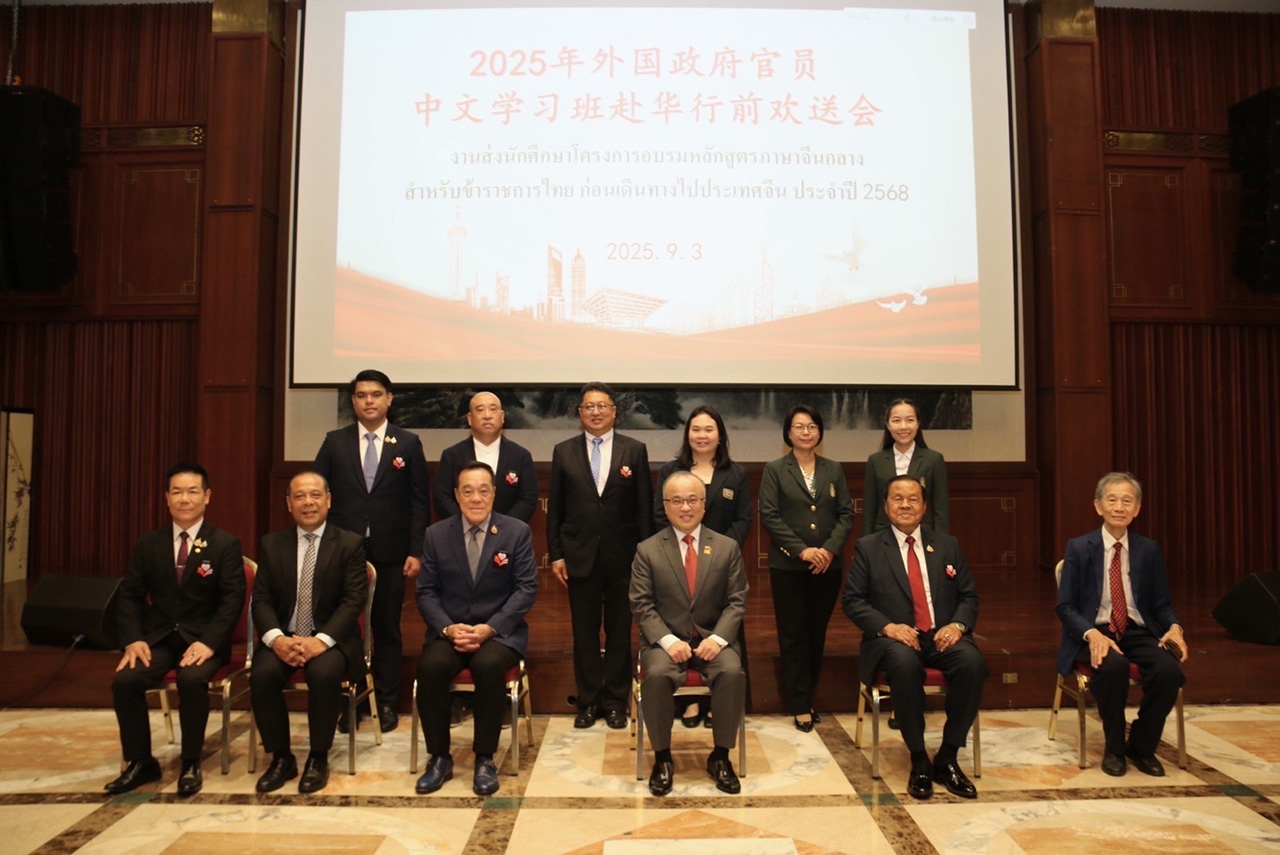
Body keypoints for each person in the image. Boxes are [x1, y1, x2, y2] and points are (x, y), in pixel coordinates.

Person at [841, 475, 987, 800]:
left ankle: (948, 756)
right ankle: (919, 757)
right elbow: (853, 600)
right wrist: (888, 627)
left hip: (941, 636)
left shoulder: (947, 545)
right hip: (894, 640)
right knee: (905, 666)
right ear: (886, 506)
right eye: (898, 499)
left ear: (924, 506)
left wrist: (958, 626)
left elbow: (968, 596)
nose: (905, 505)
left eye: (913, 499)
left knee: (973, 663)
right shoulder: (869, 547)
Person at [107, 463, 245, 796]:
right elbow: (130, 596)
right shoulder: (149, 543)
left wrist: (209, 642)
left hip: (204, 641)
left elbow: (232, 600)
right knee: (125, 680)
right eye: (177, 492)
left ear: (207, 496)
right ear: (166, 498)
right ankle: (141, 761)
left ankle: (191, 762)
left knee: (192, 679)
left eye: (192, 491)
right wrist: (133, 639)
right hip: (158, 638)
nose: (185, 499)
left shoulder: (224, 544)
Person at [313, 368, 430, 732]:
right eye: (362, 395)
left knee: (386, 627)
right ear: (353, 401)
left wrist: (416, 550)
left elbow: (419, 501)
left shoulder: (407, 443)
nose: (369, 401)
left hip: (391, 552)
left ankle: (387, 702)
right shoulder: (335, 442)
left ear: (389, 399)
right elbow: (317, 494)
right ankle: (351, 702)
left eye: (376, 395)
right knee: (343, 627)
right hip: (342, 552)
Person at [413, 462, 539, 795]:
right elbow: (426, 592)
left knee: (487, 666)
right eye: (467, 491)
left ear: (494, 493)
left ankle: (484, 758)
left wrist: (490, 628)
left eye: (483, 490)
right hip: (450, 631)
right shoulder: (437, 534)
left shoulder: (516, 532)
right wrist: (447, 628)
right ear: (456, 495)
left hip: (499, 633)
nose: (476, 498)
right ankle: (439, 758)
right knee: (431, 667)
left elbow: (526, 588)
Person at [1056, 472, 1188, 778]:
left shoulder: (1148, 549)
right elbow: (1065, 607)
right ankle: (1114, 749)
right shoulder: (1079, 547)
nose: (1119, 507)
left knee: (1169, 671)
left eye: (1127, 501)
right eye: (1112, 500)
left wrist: (1175, 627)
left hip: (1136, 630)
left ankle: (1141, 746)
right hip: (1095, 631)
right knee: (1114, 667)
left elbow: (1162, 604)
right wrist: (1091, 634)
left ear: (1137, 508)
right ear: (1098, 506)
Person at [249, 472, 368, 794]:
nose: (308, 502)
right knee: (262, 675)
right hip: (285, 637)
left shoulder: (350, 543)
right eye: (299, 496)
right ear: (288, 504)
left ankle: (318, 757)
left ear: (328, 500)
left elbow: (352, 601)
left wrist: (321, 641)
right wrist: (276, 639)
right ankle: (281, 758)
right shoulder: (272, 544)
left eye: (315, 495)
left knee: (322, 674)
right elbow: (261, 599)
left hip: (331, 640)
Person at [631, 472, 748, 796]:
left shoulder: (726, 547)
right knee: (656, 675)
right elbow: (641, 604)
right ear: (665, 506)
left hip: (714, 639)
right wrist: (668, 641)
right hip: (664, 642)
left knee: (732, 672)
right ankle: (662, 758)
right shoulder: (648, 550)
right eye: (677, 501)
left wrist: (717, 640)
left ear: (704, 504)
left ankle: (721, 756)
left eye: (692, 500)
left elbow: (737, 601)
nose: (685, 507)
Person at [547, 381, 654, 729]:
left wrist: (645, 557)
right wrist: (557, 554)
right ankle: (589, 701)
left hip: (624, 557)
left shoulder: (634, 450)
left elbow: (644, 509)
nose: (596, 412)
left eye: (602, 406)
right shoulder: (563, 451)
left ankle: (615, 702)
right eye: (589, 407)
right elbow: (555, 510)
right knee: (585, 632)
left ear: (614, 411)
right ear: (580, 413)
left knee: (620, 631)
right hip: (579, 556)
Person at [653, 404, 751, 728]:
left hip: (723, 567)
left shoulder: (735, 473)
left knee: (721, 634)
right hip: (679, 563)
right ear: (687, 434)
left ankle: (718, 704)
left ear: (720, 435)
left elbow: (743, 519)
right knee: (683, 628)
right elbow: (660, 515)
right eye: (696, 429)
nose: (702, 435)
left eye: (709, 429)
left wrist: (720, 555)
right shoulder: (671, 470)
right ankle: (691, 702)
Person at [758, 405, 854, 732]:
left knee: (816, 633)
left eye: (812, 426)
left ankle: (808, 695)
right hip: (789, 567)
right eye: (798, 426)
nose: (805, 432)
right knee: (793, 635)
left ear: (820, 432)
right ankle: (799, 703)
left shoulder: (833, 469)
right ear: (788, 433)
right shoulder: (775, 469)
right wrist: (803, 551)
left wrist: (828, 549)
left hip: (827, 566)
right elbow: (770, 516)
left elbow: (846, 514)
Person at [433, 391, 538, 523]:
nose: (487, 415)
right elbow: (442, 497)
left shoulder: (521, 456)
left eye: (493, 409)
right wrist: (467, 523)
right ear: (469, 418)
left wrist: (504, 527)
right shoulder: (452, 455)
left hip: (508, 533)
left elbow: (527, 499)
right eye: (480, 410)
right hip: (461, 531)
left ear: (502, 416)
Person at [863, 398, 949, 536]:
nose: (903, 427)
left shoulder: (934, 460)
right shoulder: (875, 461)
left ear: (918, 423)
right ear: (888, 425)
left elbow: (941, 511)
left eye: (910, 420)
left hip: (923, 535)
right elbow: (869, 511)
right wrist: (867, 544)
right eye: (896, 420)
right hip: (883, 536)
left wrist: (941, 544)